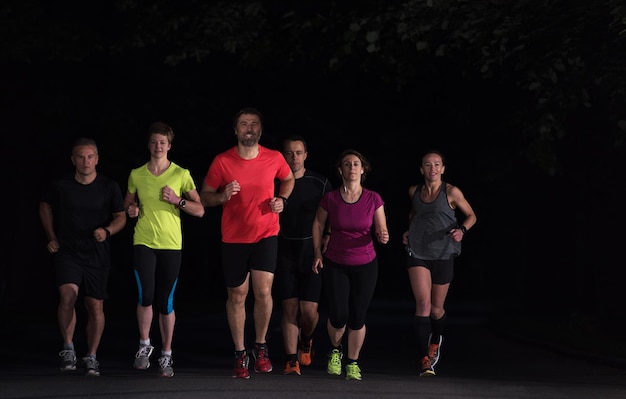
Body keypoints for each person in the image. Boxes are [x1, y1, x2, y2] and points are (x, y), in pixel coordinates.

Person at [200, 107, 295, 379]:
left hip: (266, 233)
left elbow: (287, 179)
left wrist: (283, 200)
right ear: (236, 130)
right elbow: (205, 196)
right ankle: (240, 354)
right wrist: (222, 196)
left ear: (260, 130)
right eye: (244, 124)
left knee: (263, 292)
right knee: (237, 295)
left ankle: (261, 347)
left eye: (254, 124)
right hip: (233, 237)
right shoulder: (222, 161)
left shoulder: (274, 158)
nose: (249, 128)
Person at [39, 137, 126, 377]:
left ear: (97, 159)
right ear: (73, 160)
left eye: (90, 156)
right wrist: (51, 236)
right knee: (68, 295)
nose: (85, 161)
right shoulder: (61, 185)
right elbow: (45, 206)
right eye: (81, 156)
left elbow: (121, 216)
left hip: (97, 253)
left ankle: (92, 356)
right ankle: (68, 348)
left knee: (94, 305)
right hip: (68, 251)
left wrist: (107, 230)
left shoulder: (109, 186)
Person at [124, 121, 205, 378]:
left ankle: (166, 355)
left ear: (169, 146)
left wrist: (177, 200)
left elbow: (200, 209)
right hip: (144, 241)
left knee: (165, 301)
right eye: (154, 142)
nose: (158, 146)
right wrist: (131, 210)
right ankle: (144, 345)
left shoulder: (181, 174)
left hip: (171, 244)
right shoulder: (136, 174)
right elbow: (128, 204)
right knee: (145, 295)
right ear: (148, 145)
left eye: (163, 142)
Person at [312, 149, 389, 381]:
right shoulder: (331, 199)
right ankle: (335, 350)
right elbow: (317, 223)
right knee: (338, 315)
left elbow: (381, 228)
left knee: (357, 316)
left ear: (362, 170)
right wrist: (317, 252)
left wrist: (383, 235)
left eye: (356, 164)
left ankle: (353, 363)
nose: (352, 168)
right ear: (341, 170)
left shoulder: (373, 198)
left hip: (366, 263)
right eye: (347, 164)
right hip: (336, 262)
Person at [401, 149, 477, 377]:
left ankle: (435, 339)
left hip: (443, 253)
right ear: (421, 169)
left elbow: (472, 216)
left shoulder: (451, 192)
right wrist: (409, 230)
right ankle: (424, 359)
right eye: (427, 164)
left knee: (436, 309)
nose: (432, 168)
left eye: (436, 164)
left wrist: (462, 230)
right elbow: (414, 214)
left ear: (443, 169)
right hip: (417, 252)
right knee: (422, 305)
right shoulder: (414, 191)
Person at [276, 135, 333, 376]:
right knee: (289, 309)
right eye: (289, 153)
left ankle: (306, 339)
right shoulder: (275, 182)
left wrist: (327, 241)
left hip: (312, 254)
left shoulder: (320, 183)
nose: (294, 157)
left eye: (298, 152)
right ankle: (291, 360)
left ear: (306, 155)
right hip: (284, 253)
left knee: (308, 313)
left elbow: (333, 217)